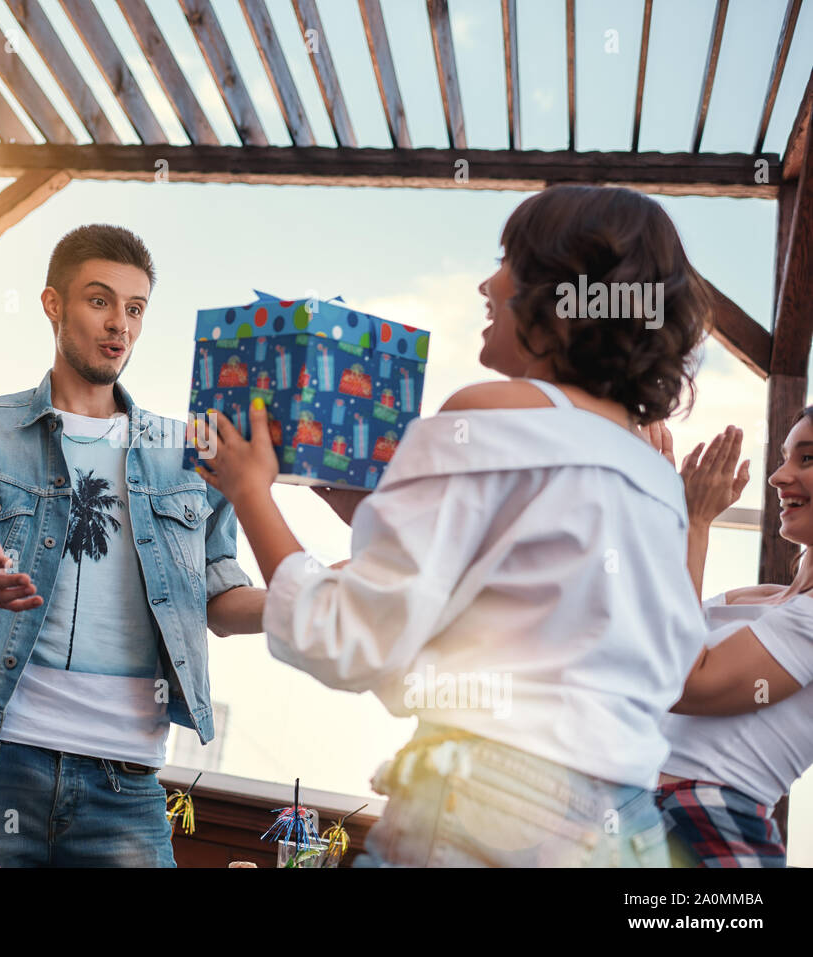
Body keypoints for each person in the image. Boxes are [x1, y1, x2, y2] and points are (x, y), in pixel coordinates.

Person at [195, 184, 711, 867]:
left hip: (489, 801)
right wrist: (370, 512)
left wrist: (250, 490)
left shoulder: (486, 411)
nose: (485, 283)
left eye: (507, 259)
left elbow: (350, 638)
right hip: (629, 823)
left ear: (560, 305)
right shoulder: (649, 468)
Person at [0, 224, 265, 866]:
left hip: (125, 782)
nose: (120, 323)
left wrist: (306, 596)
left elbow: (220, 599)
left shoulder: (190, 454)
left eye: (135, 308)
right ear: (52, 304)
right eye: (99, 300)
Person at [646, 417, 811, 867]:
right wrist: (663, 507)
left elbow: (680, 680)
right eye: (783, 459)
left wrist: (695, 521)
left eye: (808, 458)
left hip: (710, 822)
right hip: (641, 819)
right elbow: (643, 642)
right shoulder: (759, 599)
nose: (778, 477)